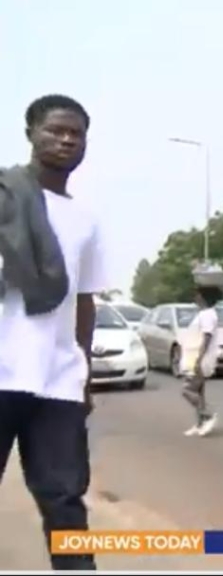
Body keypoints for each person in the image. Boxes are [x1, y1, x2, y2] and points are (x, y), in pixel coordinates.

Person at [0, 94, 108, 571]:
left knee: (65, 503)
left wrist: (83, 373)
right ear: (30, 134)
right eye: (55, 130)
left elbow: (85, 301)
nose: (66, 140)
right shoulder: (5, 196)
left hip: (57, 382)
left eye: (76, 133)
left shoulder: (86, 220)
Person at [180, 285, 222, 437]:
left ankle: (208, 415)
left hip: (199, 359)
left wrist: (199, 358)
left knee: (187, 390)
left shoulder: (207, 315)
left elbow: (207, 336)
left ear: (204, 298)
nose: (195, 298)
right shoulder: (205, 314)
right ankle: (199, 424)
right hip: (197, 357)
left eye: (197, 295)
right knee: (199, 392)